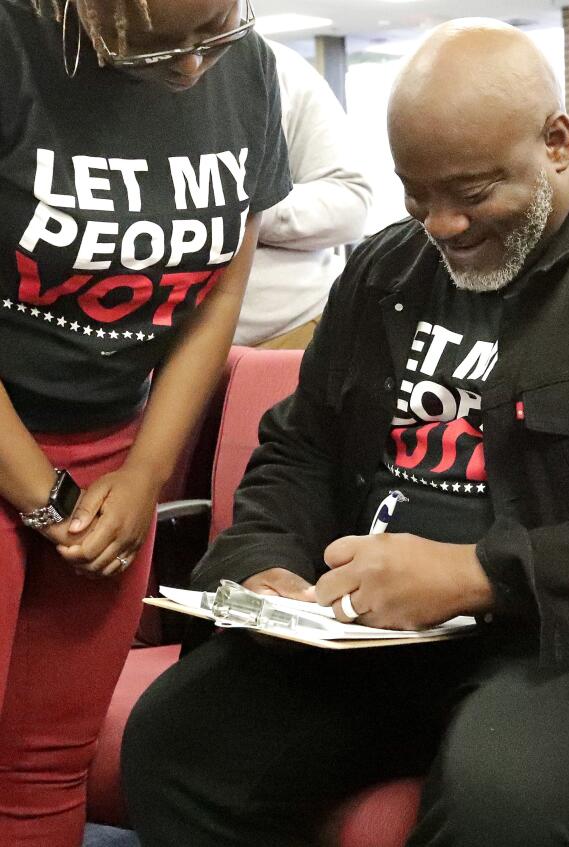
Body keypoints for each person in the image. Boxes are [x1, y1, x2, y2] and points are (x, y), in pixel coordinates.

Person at [121, 19, 569, 847]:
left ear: (555, 143)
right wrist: (265, 565)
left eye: (474, 194)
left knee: (506, 798)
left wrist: (478, 572)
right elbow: (300, 448)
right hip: (378, 640)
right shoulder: (385, 271)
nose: (442, 225)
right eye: (418, 195)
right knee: (179, 741)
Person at [0, 0, 290, 844]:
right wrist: (45, 497)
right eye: (156, 41)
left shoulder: (250, 70)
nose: (194, 68)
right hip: (17, 435)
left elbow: (217, 297)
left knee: (47, 769)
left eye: (215, 33)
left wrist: (145, 472)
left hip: (111, 455)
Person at [236, 39, 371, 349]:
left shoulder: (280, 67)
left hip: (287, 331)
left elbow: (351, 204)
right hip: (141, 344)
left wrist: (248, 208)